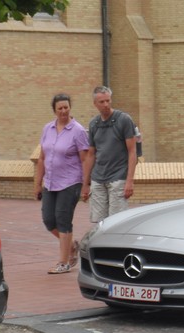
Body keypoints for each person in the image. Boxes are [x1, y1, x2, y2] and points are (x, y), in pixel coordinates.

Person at [34, 93, 89, 274]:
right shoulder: (47, 129)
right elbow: (42, 158)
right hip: (50, 182)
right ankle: (72, 245)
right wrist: (37, 183)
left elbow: (85, 159)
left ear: (70, 108)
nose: (64, 111)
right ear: (55, 110)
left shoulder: (78, 131)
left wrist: (85, 184)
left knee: (63, 220)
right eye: (60, 108)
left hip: (70, 182)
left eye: (66, 107)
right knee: (49, 220)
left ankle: (63, 263)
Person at [81, 86, 137, 223]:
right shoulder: (94, 124)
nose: (106, 104)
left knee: (116, 221)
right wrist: (85, 184)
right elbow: (91, 154)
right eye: (102, 102)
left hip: (118, 178)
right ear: (95, 104)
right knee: (98, 222)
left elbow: (132, 151)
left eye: (108, 100)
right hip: (98, 179)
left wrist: (129, 181)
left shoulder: (124, 120)